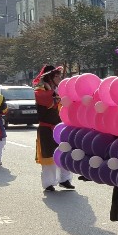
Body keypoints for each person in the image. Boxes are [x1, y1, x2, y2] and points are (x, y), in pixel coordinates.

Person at [34, 64, 73, 192]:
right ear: (50, 77)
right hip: (47, 128)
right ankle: (48, 182)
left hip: (61, 127)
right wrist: (55, 94)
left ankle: (65, 179)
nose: (59, 78)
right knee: (49, 156)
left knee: (64, 153)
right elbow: (43, 99)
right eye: (57, 76)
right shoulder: (41, 90)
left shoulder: (58, 89)